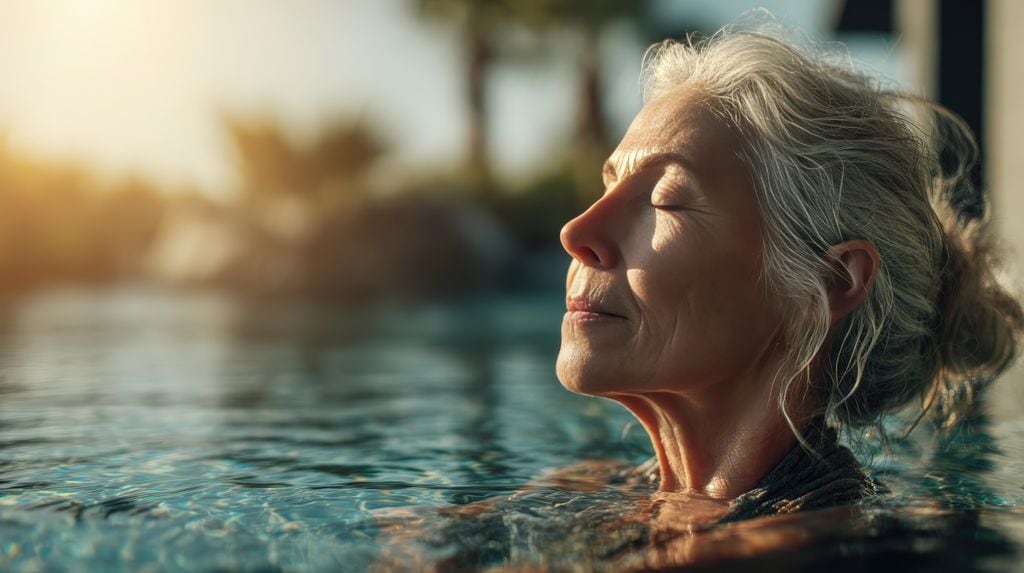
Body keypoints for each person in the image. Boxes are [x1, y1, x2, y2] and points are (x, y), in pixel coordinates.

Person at [556, 25, 1024, 521]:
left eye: (664, 199)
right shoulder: (598, 485)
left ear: (831, 282)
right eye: (608, 186)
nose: (576, 231)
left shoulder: (801, 545)